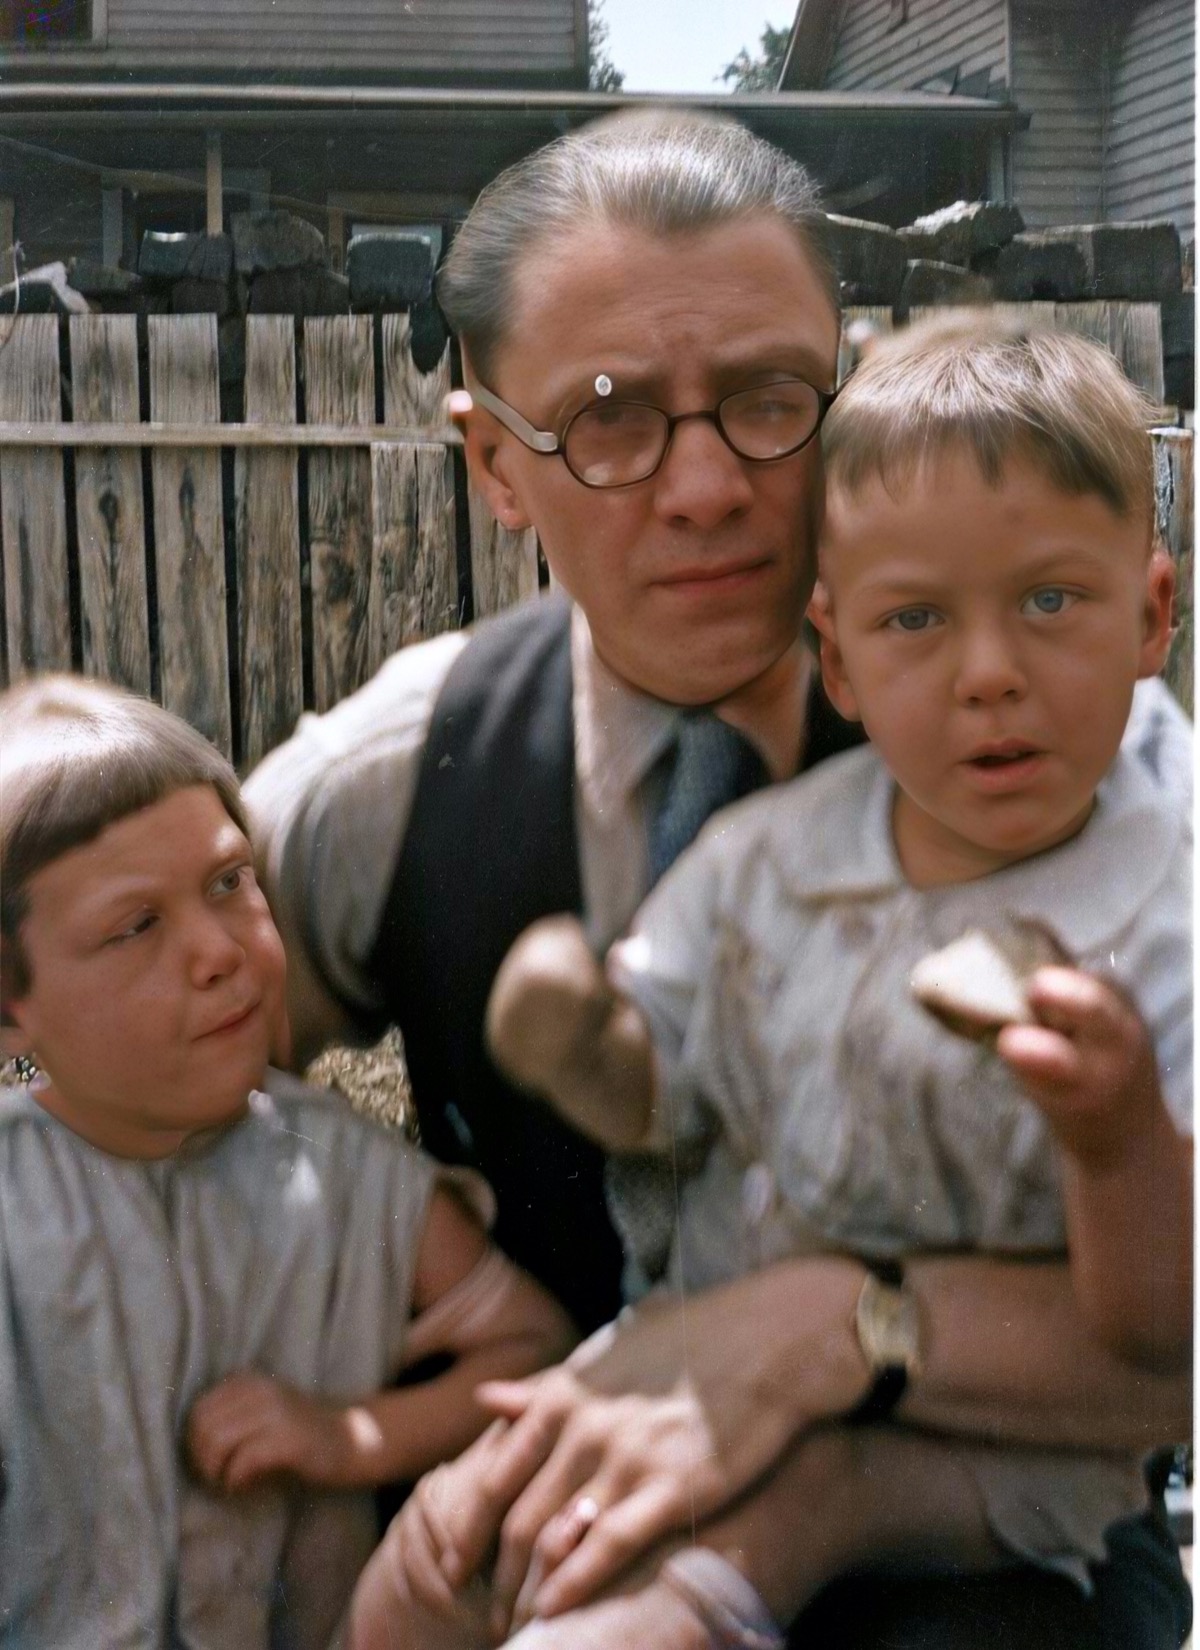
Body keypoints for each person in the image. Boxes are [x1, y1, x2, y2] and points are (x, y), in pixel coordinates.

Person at [244, 111, 1193, 1649]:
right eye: (610, 420)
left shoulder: (1085, 775)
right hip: (544, 1504)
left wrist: (835, 1328)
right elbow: (134, 1100)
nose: (704, 489)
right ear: (494, 460)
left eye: (767, 401)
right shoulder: (395, 781)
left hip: (992, 1561)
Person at [471, 315, 1192, 1642]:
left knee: (758, 1526)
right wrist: (584, 1037)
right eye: (917, 619)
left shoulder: (1170, 908)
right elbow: (659, 1085)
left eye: (1049, 601)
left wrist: (1119, 1135)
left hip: (988, 1454)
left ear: (1152, 615)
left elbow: (1165, 1336)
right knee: (461, 1534)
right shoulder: (770, 860)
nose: (990, 676)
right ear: (841, 656)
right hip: (702, 1359)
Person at [0, 674, 575, 1650]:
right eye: (136, 926)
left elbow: (535, 1348)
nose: (217, 950)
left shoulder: (349, 1177)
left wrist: (345, 1434)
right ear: (13, 1006)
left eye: (230, 882)